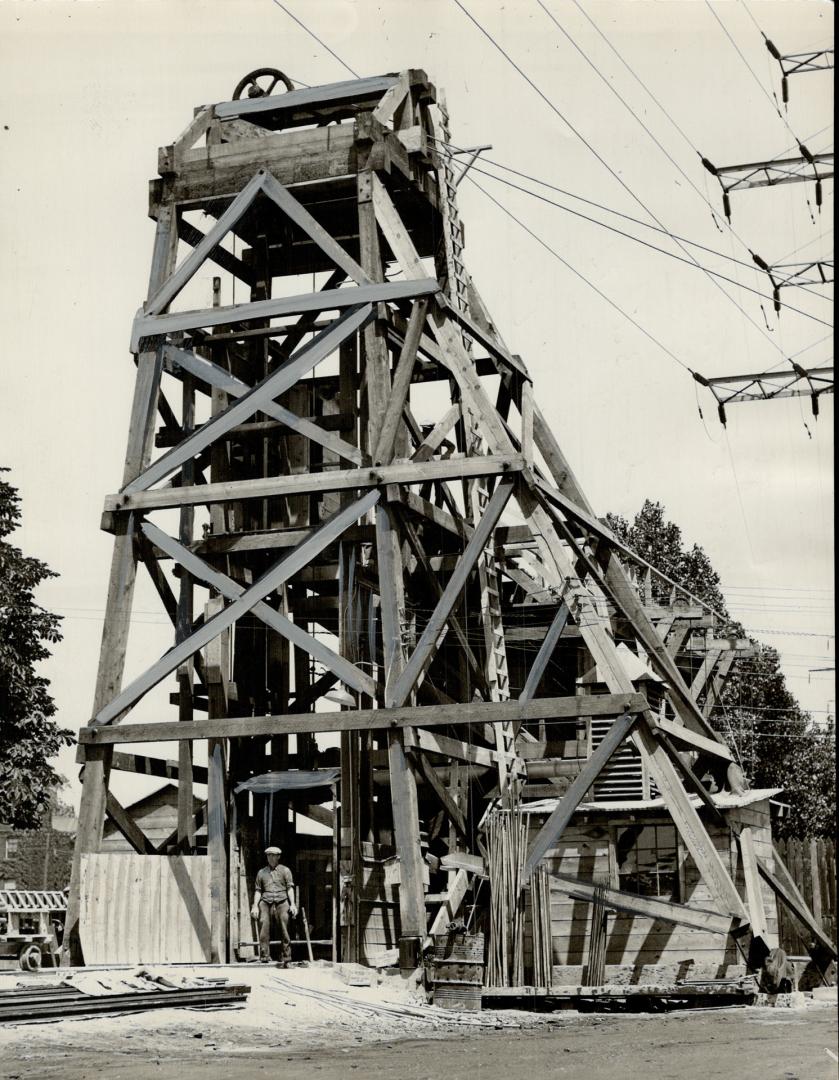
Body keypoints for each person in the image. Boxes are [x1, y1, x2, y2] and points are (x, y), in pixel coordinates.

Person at [251, 846, 297, 964]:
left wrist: (293, 904)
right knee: (264, 925)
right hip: (266, 901)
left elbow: (290, 888)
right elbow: (258, 890)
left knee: (284, 927)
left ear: (278, 857)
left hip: (282, 901)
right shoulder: (261, 873)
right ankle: (264, 956)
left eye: (273, 855)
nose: (271, 858)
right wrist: (255, 905)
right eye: (269, 855)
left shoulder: (285, 871)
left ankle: (286, 956)